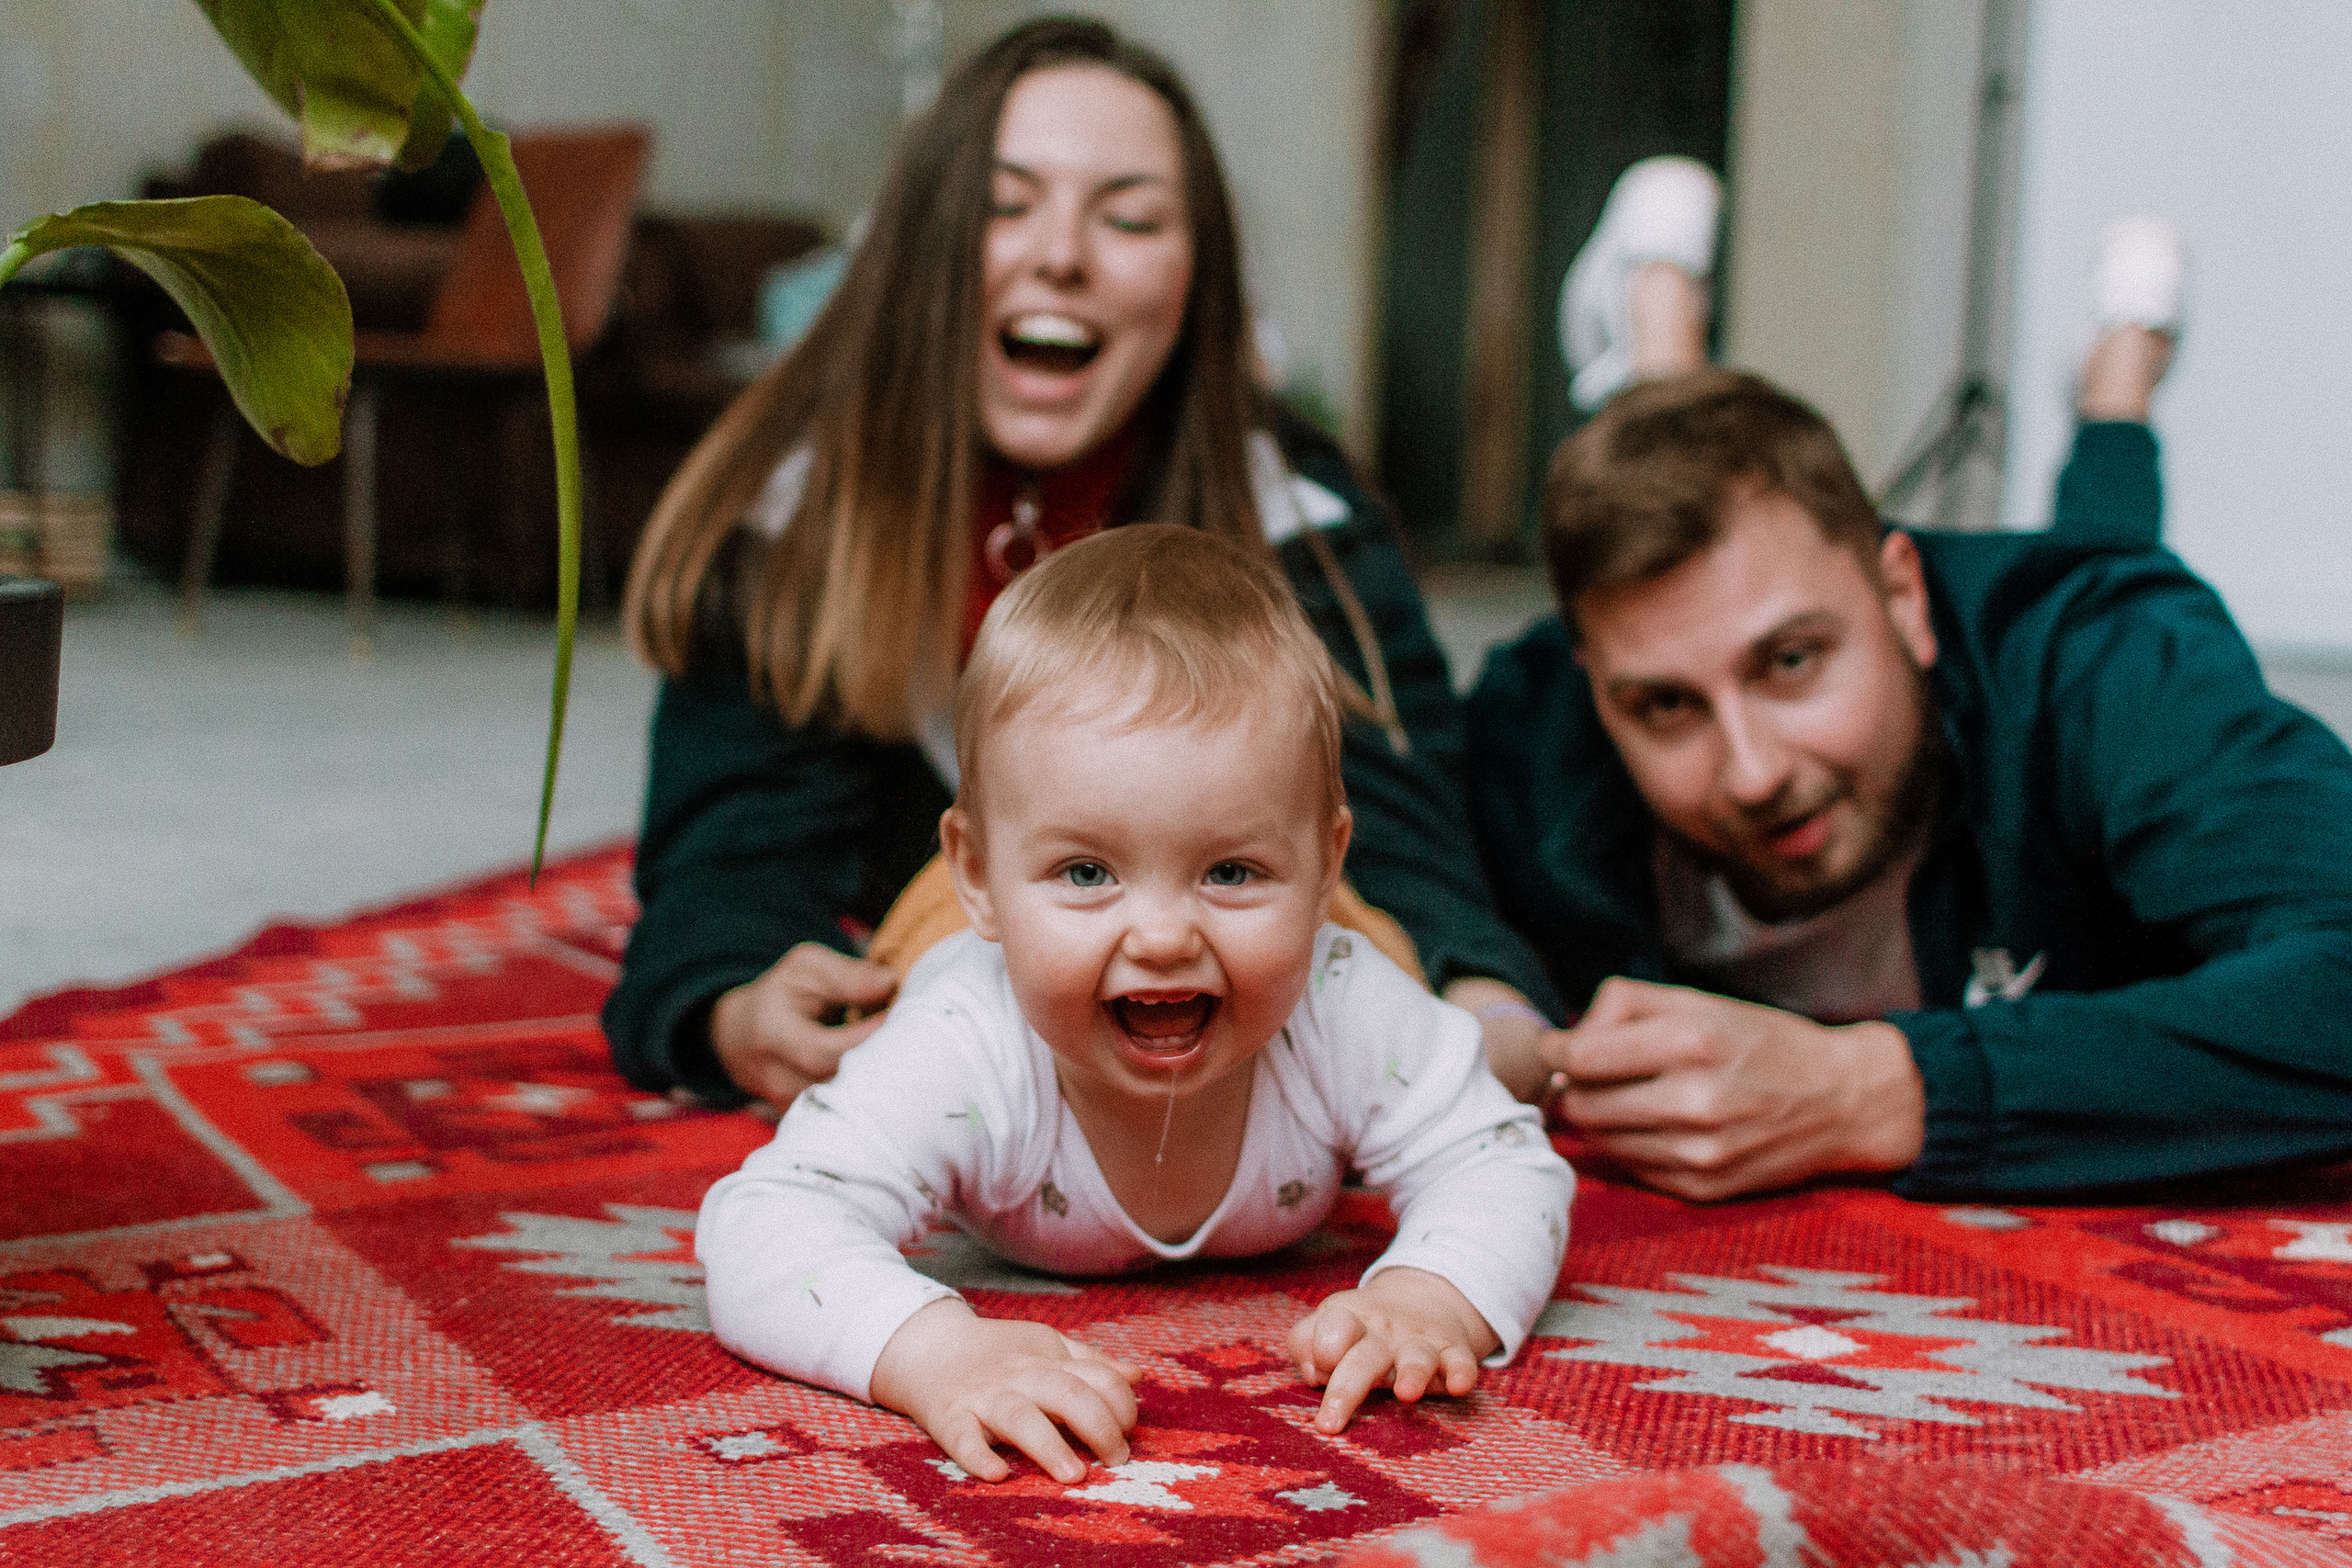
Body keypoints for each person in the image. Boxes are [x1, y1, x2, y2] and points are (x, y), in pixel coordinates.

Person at [605, 17, 1553, 1115]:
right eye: (1005, 207)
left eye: (1131, 217)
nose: (1061, 254)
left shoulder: (1299, 517)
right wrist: (734, 1009)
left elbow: (1401, 843)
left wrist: (1489, 1009)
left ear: (1198, 283)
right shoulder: (791, 519)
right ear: (918, 256)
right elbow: (719, 883)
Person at [1462, 162, 2352, 1201]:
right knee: (1676, 498)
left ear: (1904, 597)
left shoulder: (2095, 650)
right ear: (1596, 687)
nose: (1751, 774)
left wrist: (1869, 1090)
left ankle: (2119, 371)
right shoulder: (1534, 725)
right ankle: (1657, 347)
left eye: (1792, 661)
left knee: (2106, 545)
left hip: (2063, 628)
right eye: (1665, 706)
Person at [696, 526, 1574, 1483]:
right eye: (1089, 869)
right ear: (981, 874)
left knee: (1381, 971)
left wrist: (1432, 1294)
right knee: (907, 974)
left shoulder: (1337, 997)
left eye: (1227, 869)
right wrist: (934, 1352)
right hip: (950, 937)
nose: (1161, 937)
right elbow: (764, 1221)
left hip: (1302, 936)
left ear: (1325, 860)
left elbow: (1501, 1161)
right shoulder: (964, 1040)